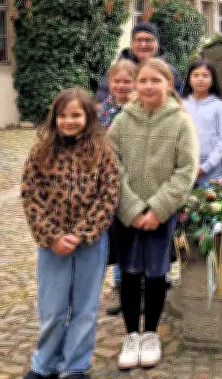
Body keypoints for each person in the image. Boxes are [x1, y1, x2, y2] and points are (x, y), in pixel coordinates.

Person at [21, 88, 120, 379]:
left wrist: (81, 233)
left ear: (88, 117)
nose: (69, 121)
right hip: (52, 243)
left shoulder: (103, 152)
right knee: (52, 307)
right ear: (54, 119)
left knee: (85, 307)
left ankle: (75, 365)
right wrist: (52, 236)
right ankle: (45, 363)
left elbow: (109, 194)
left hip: (90, 242)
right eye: (63, 115)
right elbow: (30, 195)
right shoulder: (41, 152)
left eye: (76, 115)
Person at [109, 58, 199, 370]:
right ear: (136, 85)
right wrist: (131, 208)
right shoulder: (123, 120)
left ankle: (151, 334)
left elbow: (185, 170)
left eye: (155, 81)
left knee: (156, 273)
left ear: (168, 85)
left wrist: (158, 209)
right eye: (143, 80)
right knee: (130, 273)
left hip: (161, 213)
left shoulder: (180, 121)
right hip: (127, 212)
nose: (148, 86)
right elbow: (112, 166)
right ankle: (131, 333)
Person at [98, 59, 138, 317]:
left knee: (137, 236)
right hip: (110, 181)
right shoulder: (103, 110)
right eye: (117, 81)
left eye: (127, 81)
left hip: (135, 179)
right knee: (118, 237)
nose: (121, 86)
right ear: (110, 83)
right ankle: (121, 286)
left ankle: (142, 286)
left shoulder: (139, 109)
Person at [95, 22, 183, 102]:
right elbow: (100, 101)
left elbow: (177, 102)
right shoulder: (116, 70)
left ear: (157, 44)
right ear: (131, 44)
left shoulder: (169, 71)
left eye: (148, 40)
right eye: (138, 40)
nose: (143, 45)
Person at [182, 58, 222, 187]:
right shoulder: (181, 105)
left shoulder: (219, 106)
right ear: (189, 79)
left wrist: (205, 167)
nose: (200, 79)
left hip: (211, 175)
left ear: (212, 80)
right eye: (196, 75)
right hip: (184, 172)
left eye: (205, 76)